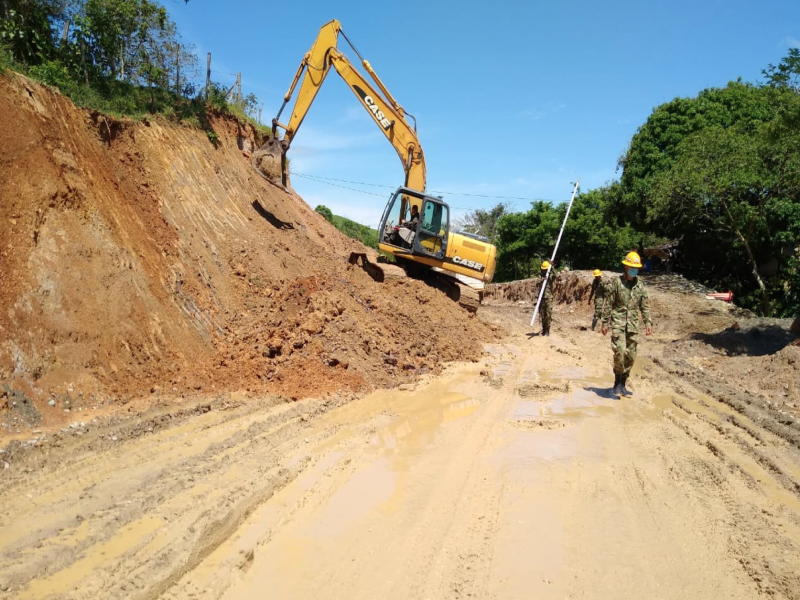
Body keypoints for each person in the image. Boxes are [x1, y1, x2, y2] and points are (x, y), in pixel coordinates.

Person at [601, 252, 653, 398]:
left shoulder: (640, 286)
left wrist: (648, 322)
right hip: (618, 323)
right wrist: (604, 322)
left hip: (633, 326)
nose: (634, 270)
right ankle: (617, 382)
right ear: (625, 266)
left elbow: (645, 306)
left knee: (630, 355)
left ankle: (623, 384)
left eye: (636, 268)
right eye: (631, 267)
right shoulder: (617, 283)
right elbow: (609, 304)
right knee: (619, 351)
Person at [538, 260, 553, 336]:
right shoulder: (540, 275)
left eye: (546, 269)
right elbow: (537, 282)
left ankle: (547, 330)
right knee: (543, 315)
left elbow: (555, 276)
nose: (544, 270)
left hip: (548, 298)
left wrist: (552, 267)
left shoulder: (550, 275)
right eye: (543, 269)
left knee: (548, 314)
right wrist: (542, 279)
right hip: (542, 298)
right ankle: (544, 329)